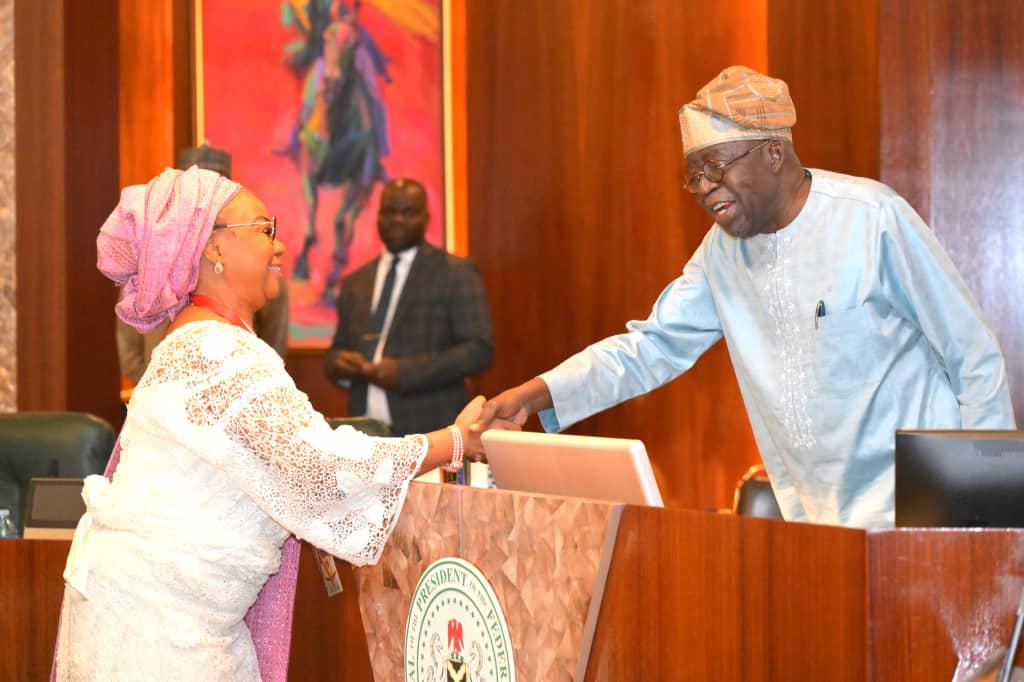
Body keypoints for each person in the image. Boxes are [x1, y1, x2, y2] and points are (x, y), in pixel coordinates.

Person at [477, 65, 1016, 528]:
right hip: (816, 520)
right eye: (694, 175)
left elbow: (973, 355)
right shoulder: (721, 255)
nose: (704, 187)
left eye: (715, 167)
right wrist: (535, 395)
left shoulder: (871, 218)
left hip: (921, 509)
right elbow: (648, 348)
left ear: (773, 154)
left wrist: (988, 517)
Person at [52, 167, 511, 680]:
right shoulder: (216, 350)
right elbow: (320, 468)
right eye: (264, 229)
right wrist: (456, 441)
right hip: (160, 638)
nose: (281, 245)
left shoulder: (195, 341)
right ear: (214, 247)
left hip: (152, 620)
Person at [325, 178, 493, 436]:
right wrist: (338, 362)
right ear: (378, 216)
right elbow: (338, 349)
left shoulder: (455, 272)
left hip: (432, 430)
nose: (398, 220)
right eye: (390, 211)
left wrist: (405, 372)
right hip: (364, 434)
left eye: (409, 212)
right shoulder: (355, 282)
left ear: (426, 219)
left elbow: (478, 350)